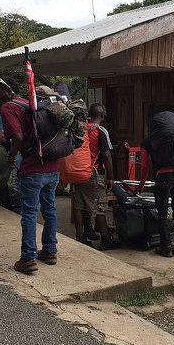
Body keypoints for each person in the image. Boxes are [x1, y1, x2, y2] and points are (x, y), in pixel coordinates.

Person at [0, 77, 59, 274]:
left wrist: (10, 157)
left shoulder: (8, 108)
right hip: (53, 165)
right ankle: (50, 251)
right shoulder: (30, 103)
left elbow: (18, 137)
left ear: (6, 91)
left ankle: (28, 258)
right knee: (50, 209)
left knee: (30, 212)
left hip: (33, 168)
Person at [142, 114, 174, 258]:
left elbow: (146, 165)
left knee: (162, 213)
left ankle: (166, 246)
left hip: (163, 176)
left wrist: (141, 184)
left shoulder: (153, 140)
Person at [71, 103, 116, 250]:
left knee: (78, 205)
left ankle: (80, 236)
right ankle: (105, 239)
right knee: (100, 207)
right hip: (94, 173)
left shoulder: (80, 129)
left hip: (78, 172)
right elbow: (107, 155)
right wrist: (110, 177)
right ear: (102, 115)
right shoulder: (101, 131)